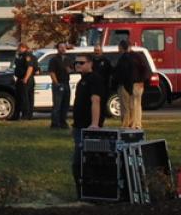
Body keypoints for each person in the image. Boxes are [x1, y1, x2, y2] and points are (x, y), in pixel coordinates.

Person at [68, 54, 110, 186]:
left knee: (83, 162)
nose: (78, 65)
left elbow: (96, 101)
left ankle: (89, 190)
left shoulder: (95, 79)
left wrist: (94, 124)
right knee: (78, 163)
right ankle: (82, 191)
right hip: (79, 127)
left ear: (90, 64)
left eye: (81, 62)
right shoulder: (82, 80)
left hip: (88, 128)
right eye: (76, 63)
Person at [113, 39, 150, 129]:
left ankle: (129, 124)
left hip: (132, 84)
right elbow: (146, 70)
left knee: (128, 106)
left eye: (119, 47)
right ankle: (135, 124)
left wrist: (140, 81)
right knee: (135, 105)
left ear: (122, 47)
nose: (118, 49)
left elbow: (120, 72)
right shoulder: (137, 56)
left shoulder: (125, 58)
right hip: (135, 83)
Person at [48, 45, 73, 129]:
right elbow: (52, 72)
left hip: (66, 83)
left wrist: (69, 70)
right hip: (58, 83)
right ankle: (55, 123)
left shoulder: (68, 59)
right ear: (58, 49)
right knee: (57, 105)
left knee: (65, 104)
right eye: (61, 47)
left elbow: (71, 70)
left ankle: (63, 122)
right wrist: (56, 83)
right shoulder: (54, 59)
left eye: (64, 47)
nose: (63, 49)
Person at [12, 43, 36, 121]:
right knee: (20, 97)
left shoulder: (27, 55)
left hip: (26, 79)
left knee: (25, 98)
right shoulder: (21, 56)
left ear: (23, 47)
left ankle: (26, 115)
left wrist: (26, 78)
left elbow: (30, 67)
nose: (17, 49)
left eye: (18, 48)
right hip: (21, 79)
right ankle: (17, 115)